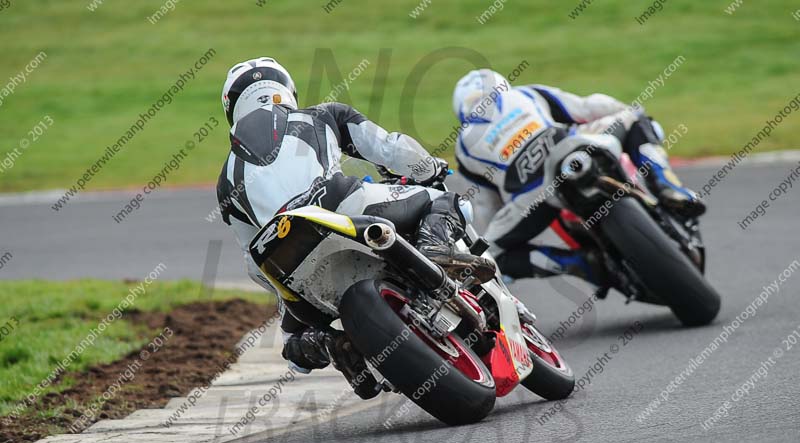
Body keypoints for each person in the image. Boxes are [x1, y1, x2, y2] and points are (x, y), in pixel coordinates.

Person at [216, 57, 493, 399]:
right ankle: (433, 246)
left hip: (281, 256)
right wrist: (430, 168)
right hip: (336, 204)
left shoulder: (225, 179)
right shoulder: (320, 114)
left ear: (232, 107)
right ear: (288, 91)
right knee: (449, 202)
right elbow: (390, 148)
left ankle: (329, 343)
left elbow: (251, 262)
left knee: (292, 343)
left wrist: (288, 308)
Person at [452, 69, 705, 282]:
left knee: (488, 256)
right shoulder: (525, 93)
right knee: (635, 116)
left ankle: (579, 264)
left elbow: (487, 208)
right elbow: (588, 106)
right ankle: (668, 187)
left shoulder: (463, 147)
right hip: (575, 148)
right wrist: (622, 111)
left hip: (534, 194)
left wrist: (510, 218)